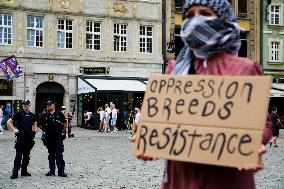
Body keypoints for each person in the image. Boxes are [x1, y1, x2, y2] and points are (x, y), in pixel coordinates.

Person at [133, 1, 273, 189]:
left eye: (205, 13)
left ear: (224, 20)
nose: (196, 20)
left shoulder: (245, 68)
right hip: (181, 176)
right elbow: (162, 118)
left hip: (226, 176)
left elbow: (263, 123)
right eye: (189, 15)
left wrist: (254, 142)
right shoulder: (174, 69)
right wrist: (149, 137)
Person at [7, 100, 37, 179]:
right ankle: (15, 173)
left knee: (26, 156)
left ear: (29, 105)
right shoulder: (18, 114)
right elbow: (9, 122)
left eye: (26, 104)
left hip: (29, 139)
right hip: (20, 138)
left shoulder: (32, 115)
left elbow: (34, 124)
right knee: (18, 156)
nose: (25, 106)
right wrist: (14, 129)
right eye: (24, 104)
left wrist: (34, 131)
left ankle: (24, 171)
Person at [38, 100, 68, 177]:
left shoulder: (59, 114)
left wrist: (64, 130)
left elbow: (65, 123)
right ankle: (52, 170)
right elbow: (39, 124)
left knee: (59, 154)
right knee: (51, 155)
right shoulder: (44, 115)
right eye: (47, 104)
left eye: (50, 104)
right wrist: (45, 130)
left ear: (54, 105)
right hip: (48, 138)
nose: (48, 106)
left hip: (58, 138)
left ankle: (61, 171)